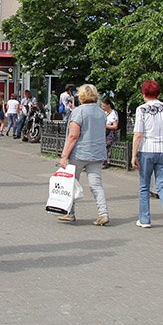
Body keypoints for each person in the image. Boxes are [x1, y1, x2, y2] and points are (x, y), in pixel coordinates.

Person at [131, 80, 163, 232]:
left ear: (143, 94)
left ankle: (145, 219)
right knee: (162, 185)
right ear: (159, 93)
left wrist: (134, 155)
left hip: (147, 150)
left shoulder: (141, 109)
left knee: (144, 186)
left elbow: (138, 134)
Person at [58, 84, 110, 225]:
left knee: (71, 183)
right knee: (96, 185)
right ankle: (103, 213)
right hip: (97, 153)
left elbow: (73, 136)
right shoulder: (101, 112)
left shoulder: (78, 112)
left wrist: (64, 156)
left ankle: (70, 212)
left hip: (79, 153)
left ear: (81, 96)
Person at [101, 98, 119, 168]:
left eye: (104, 106)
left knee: (106, 145)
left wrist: (106, 126)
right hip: (105, 132)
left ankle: (106, 161)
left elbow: (115, 126)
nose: (103, 108)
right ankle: (103, 160)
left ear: (108, 105)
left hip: (111, 133)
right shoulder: (105, 113)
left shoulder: (113, 113)